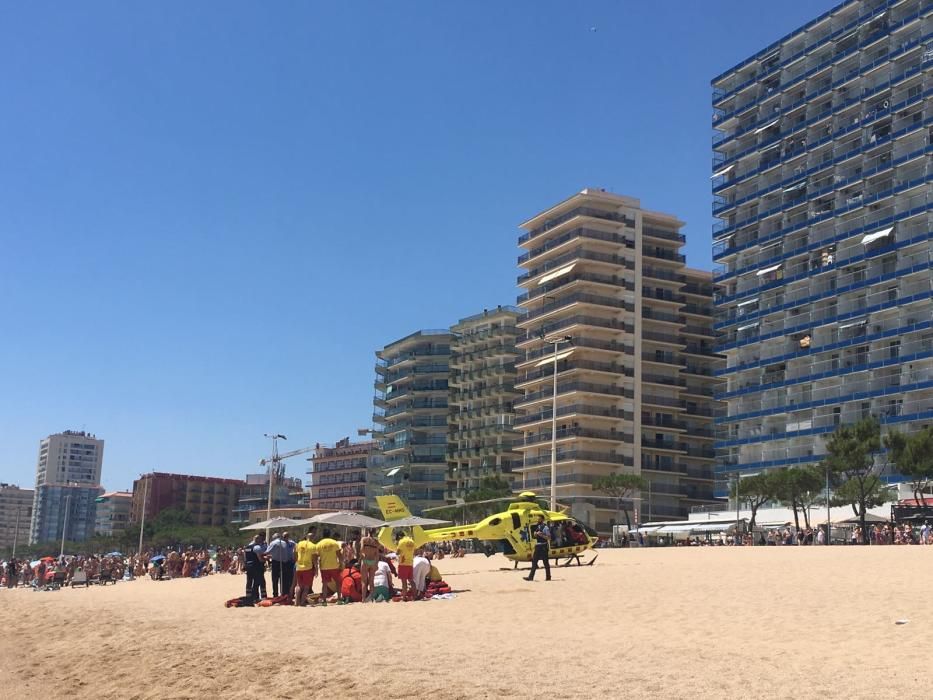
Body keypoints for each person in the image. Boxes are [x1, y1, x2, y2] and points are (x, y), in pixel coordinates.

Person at [315, 529, 342, 605]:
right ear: (330, 534)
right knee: (338, 583)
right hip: (334, 566)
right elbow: (339, 555)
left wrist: (316, 567)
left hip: (324, 567)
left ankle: (324, 601)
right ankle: (339, 599)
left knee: (324, 584)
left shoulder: (319, 544)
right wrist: (341, 563)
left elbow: (316, 556)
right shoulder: (334, 543)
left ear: (323, 535)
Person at [294, 530, 318, 607]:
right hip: (308, 568)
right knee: (306, 587)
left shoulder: (299, 544)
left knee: (298, 586)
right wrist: (316, 570)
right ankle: (302, 602)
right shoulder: (313, 546)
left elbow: (294, 553)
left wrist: (297, 561)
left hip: (298, 567)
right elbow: (314, 560)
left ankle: (296, 602)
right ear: (313, 538)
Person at [524, 515, 551, 581]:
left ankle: (548, 577)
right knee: (534, 562)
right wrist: (535, 534)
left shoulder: (545, 528)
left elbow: (549, 538)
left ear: (542, 520)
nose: (538, 520)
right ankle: (530, 577)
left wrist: (541, 535)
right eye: (538, 519)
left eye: (539, 519)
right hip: (538, 546)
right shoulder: (537, 527)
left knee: (545, 562)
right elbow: (535, 535)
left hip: (543, 546)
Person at [244, 533, 268, 601]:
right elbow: (260, 559)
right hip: (256, 566)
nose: (261, 540)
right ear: (257, 539)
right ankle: (257, 596)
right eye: (260, 539)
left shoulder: (247, 547)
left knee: (249, 581)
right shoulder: (256, 547)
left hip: (248, 566)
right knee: (258, 582)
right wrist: (266, 559)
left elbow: (245, 558)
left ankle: (248, 596)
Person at [359, 528, 381, 602]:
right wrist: (376, 564)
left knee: (364, 581)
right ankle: (371, 598)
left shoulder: (364, 539)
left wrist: (362, 555)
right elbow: (377, 554)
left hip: (365, 560)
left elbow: (361, 549)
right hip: (373, 561)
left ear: (368, 531)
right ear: (374, 532)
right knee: (371, 581)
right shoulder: (376, 541)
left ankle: (363, 599)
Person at [396, 530, 416, 598]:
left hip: (403, 563)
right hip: (410, 563)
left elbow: (398, 552)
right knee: (411, 581)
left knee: (404, 582)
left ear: (399, 536)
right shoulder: (411, 541)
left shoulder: (401, 541)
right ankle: (415, 596)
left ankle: (404, 597)